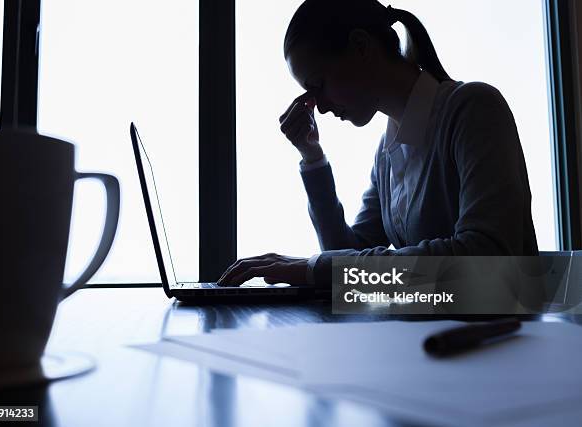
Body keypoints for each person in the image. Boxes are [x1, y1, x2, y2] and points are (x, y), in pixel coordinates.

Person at [218, 0, 538, 287]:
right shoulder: (388, 152)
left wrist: (315, 268)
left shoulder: (473, 108)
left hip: (496, 343)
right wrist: (312, 157)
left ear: (360, 46)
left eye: (318, 86)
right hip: (430, 339)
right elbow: (348, 260)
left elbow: (488, 259)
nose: (321, 107)